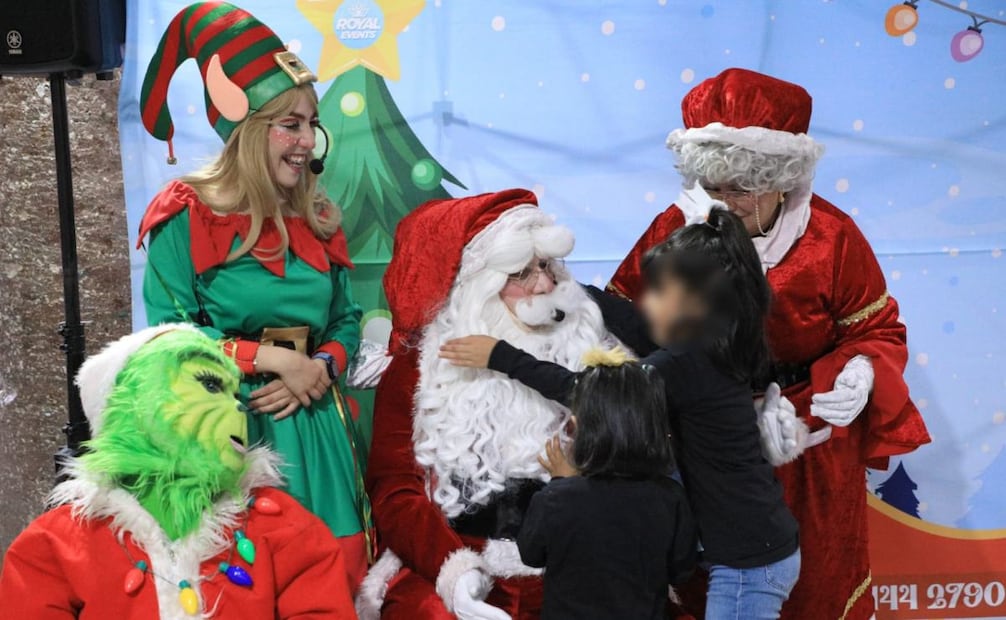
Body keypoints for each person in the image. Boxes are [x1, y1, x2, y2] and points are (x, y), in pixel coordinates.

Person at [607, 67, 931, 619]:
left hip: (807, 443)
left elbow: (876, 330)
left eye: (742, 188)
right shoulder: (677, 227)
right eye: (714, 187)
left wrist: (858, 372)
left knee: (815, 578)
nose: (725, 203)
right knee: (713, 583)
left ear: (781, 179)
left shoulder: (832, 236)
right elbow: (623, 323)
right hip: (708, 440)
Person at [442, 202, 802, 620]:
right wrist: (579, 294)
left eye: (658, 293)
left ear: (694, 302)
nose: (646, 303)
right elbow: (639, 328)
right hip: (759, 545)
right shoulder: (719, 339)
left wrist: (501, 355)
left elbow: (597, 394)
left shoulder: (687, 362)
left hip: (747, 564)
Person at [135, 2, 371, 588]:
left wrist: (319, 365)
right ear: (246, 130)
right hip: (226, 430)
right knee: (242, 582)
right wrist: (267, 359)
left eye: (310, 124)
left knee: (331, 579)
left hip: (314, 427)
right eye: (289, 124)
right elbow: (167, 337)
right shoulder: (186, 216)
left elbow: (345, 317)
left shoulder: (318, 217)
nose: (305, 141)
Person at [357, 190, 624, 620]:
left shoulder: (590, 346)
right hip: (461, 550)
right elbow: (396, 490)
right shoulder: (419, 367)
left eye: (547, 266)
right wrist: (455, 571)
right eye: (522, 273)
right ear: (478, 286)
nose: (545, 285)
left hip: (574, 554)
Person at [0, 325, 357, 618]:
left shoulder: (285, 528)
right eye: (211, 384)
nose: (237, 404)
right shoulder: (59, 543)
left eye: (235, 390)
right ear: (137, 404)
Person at [516, 351, 698, 620]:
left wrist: (561, 484)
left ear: (579, 429)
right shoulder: (670, 498)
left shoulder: (556, 498)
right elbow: (681, 570)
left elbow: (531, 554)